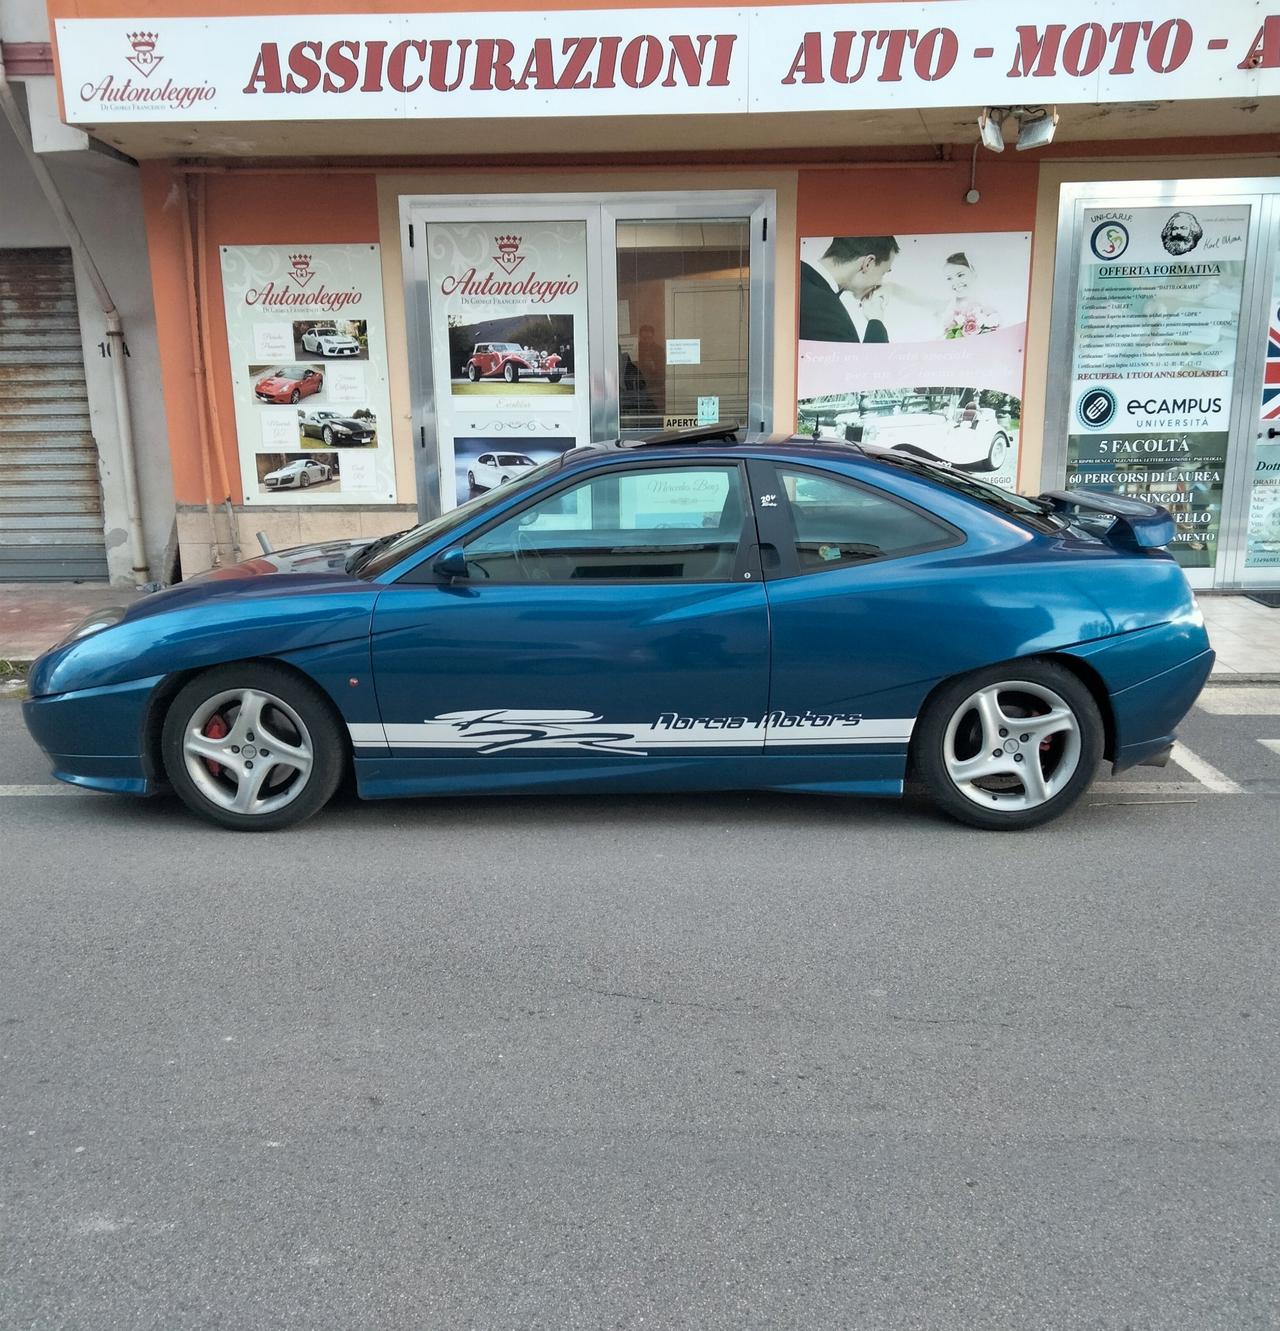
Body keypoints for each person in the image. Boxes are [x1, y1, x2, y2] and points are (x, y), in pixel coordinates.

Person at [799, 236, 898, 343]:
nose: (879, 283)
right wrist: (876, 321)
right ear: (868, 263)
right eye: (883, 273)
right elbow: (872, 359)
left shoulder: (792, 277)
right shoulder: (828, 314)